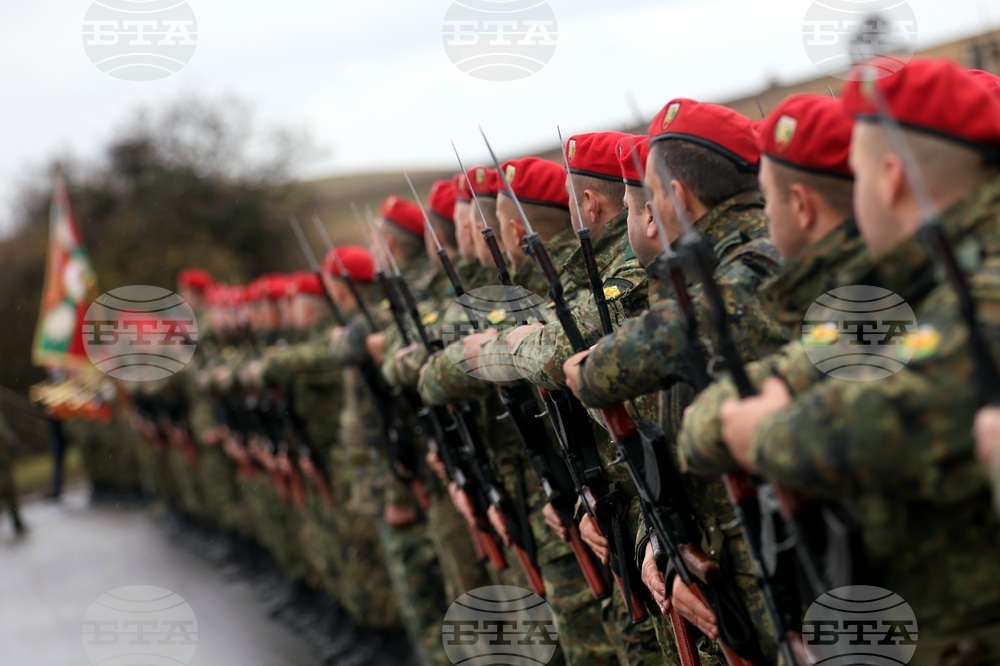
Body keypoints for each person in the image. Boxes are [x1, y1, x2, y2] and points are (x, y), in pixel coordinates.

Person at [700, 59, 1000, 664]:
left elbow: (899, 416)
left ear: (889, 180)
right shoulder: (940, 275)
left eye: (857, 175)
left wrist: (767, 428)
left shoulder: (975, 282)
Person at [563, 99, 789, 662]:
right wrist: (653, 541)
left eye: (651, 195)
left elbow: (595, 376)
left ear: (678, 199)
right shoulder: (777, 258)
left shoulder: (709, 292)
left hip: (768, 575)